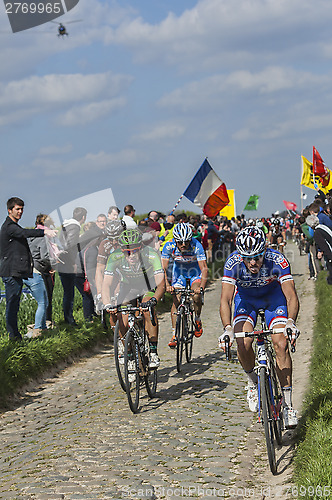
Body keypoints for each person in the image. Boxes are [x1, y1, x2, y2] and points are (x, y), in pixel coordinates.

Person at [218, 226, 300, 429]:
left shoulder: (277, 260)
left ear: (265, 251)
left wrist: (290, 322)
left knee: (280, 344)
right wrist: (227, 328)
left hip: (274, 300)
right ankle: (253, 382)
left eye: (257, 257)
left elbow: (290, 295)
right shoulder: (233, 263)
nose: (253, 263)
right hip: (246, 301)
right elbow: (226, 298)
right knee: (242, 341)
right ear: (240, 255)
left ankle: (288, 406)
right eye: (248, 258)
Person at [102, 228, 165, 368]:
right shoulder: (115, 256)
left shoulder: (151, 255)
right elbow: (106, 283)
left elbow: (161, 284)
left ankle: (153, 352)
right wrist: (107, 304)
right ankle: (129, 355)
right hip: (129, 286)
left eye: (135, 250)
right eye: (127, 251)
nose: (131, 255)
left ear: (141, 247)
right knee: (121, 314)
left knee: (148, 309)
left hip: (148, 285)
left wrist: (154, 299)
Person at [0, 197, 56, 341]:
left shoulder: (14, 226)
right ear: (9, 210)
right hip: (11, 273)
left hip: (18, 272)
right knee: (12, 306)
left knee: (15, 305)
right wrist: (44, 232)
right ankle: (14, 337)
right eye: (17, 209)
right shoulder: (9, 227)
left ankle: (17, 335)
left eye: (22, 209)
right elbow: (25, 233)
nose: (20, 212)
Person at [161, 222, 208, 347]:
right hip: (179, 273)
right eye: (180, 242)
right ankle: (175, 334)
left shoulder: (196, 245)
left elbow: (204, 268)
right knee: (176, 300)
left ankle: (197, 319)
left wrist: (201, 288)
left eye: (186, 242)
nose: (183, 245)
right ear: (175, 240)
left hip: (195, 272)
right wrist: (167, 285)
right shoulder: (169, 245)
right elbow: (163, 269)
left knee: (196, 296)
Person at [57, 207, 87, 326]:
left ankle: (67, 317)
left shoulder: (66, 225)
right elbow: (70, 245)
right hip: (68, 262)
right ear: (83, 217)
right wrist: (73, 263)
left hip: (62, 261)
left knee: (67, 291)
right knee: (69, 292)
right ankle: (69, 319)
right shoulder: (75, 227)